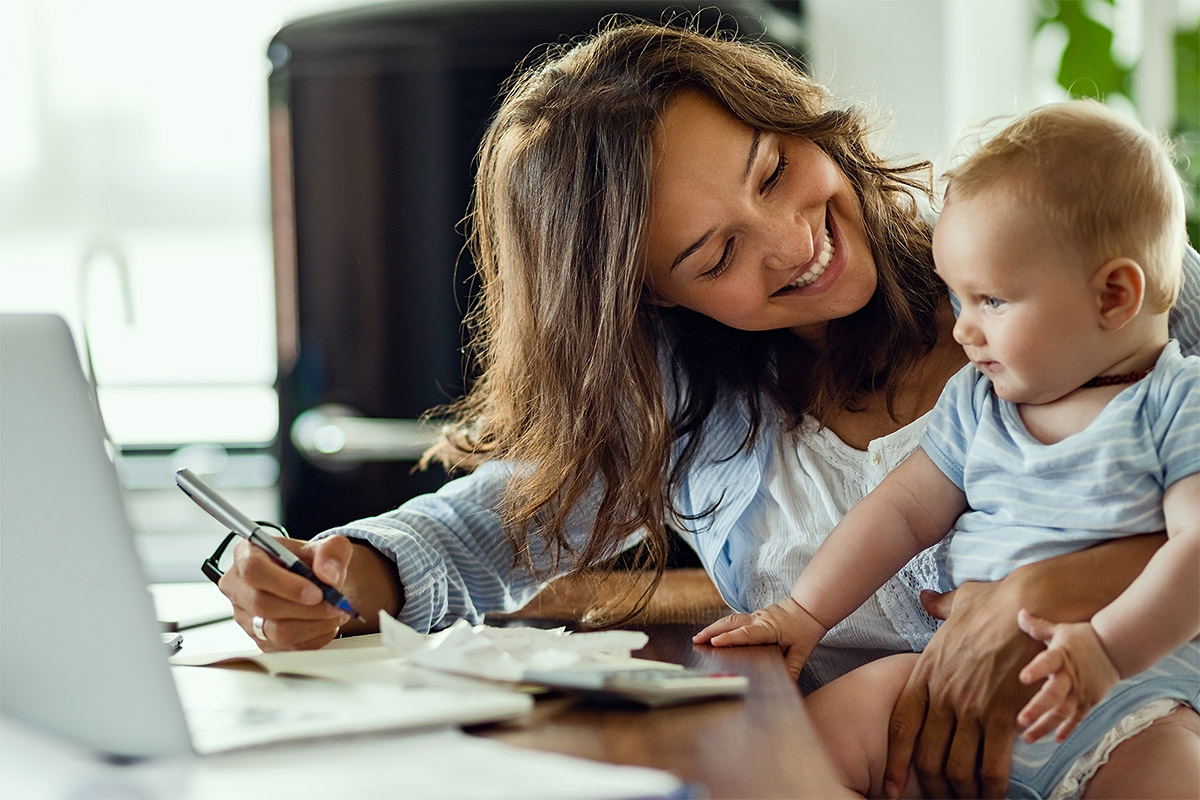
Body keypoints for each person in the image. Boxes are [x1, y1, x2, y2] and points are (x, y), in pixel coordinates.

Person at [215, 19, 1200, 797]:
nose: (791, 242)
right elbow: (490, 524)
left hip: (1138, 725)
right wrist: (344, 573)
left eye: (773, 169)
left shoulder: (1049, 260)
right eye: (715, 254)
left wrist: (1062, 584)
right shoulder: (691, 408)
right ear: (652, 297)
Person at [695, 100, 1199, 798]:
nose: (962, 330)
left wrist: (1106, 652)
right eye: (956, 300)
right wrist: (801, 613)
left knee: (1173, 771)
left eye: (989, 300)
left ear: (1114, 296)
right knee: (806, 743)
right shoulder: (978, 403)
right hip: (944, 681)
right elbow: (900, 512)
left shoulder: (1177, 404)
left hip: (1132, 699)